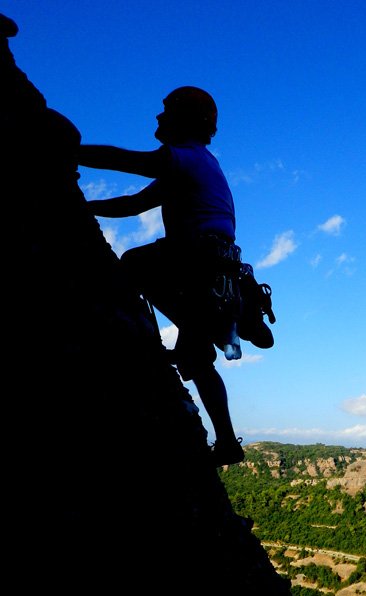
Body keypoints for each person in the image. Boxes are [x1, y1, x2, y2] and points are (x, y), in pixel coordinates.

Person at [78, 86, 245, 467]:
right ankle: (226, 442)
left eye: (166, 110)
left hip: (195, 260)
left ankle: (124, 333)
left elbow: (129, 162)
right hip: (215, 272)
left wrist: (73, 152)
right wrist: (85, 206)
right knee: (196, 358)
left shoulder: (187, 160)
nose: (158, 117)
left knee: (132, 264)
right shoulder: (197, 164)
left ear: (187, 119)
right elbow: (134, 204)